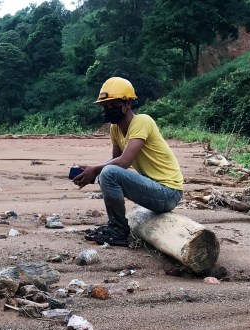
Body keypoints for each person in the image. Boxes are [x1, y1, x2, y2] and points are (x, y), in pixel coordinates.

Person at [72, 77, 184, 246]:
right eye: (105, 106)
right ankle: (115, 226)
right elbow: (115, 161)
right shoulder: (115, 128)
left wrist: (95, 169)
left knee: (108, 172)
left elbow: (123, 162)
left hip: (169, 192)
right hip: (154, 188)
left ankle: (118, 230)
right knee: (107, 172)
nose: (107, 110)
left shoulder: (142, 121)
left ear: (128, 104)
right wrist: (92, 172)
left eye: (112, 105)